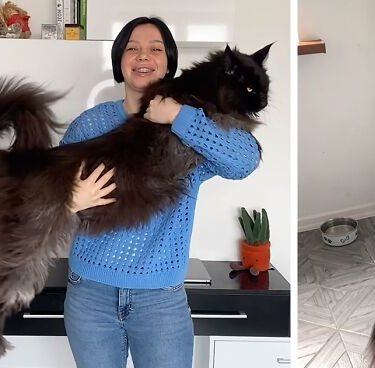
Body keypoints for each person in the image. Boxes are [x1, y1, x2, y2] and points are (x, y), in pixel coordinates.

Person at [60, 17, 261, 368]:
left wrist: (180, 116)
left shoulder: (196, 124)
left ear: (169, 63)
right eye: (132, 48)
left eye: (155, 49)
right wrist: (69, 202)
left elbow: (244, 161)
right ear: (119, 61)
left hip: (161, 300)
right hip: (89, 294)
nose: (143, 56)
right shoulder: (90, 124)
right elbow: (44, 200)